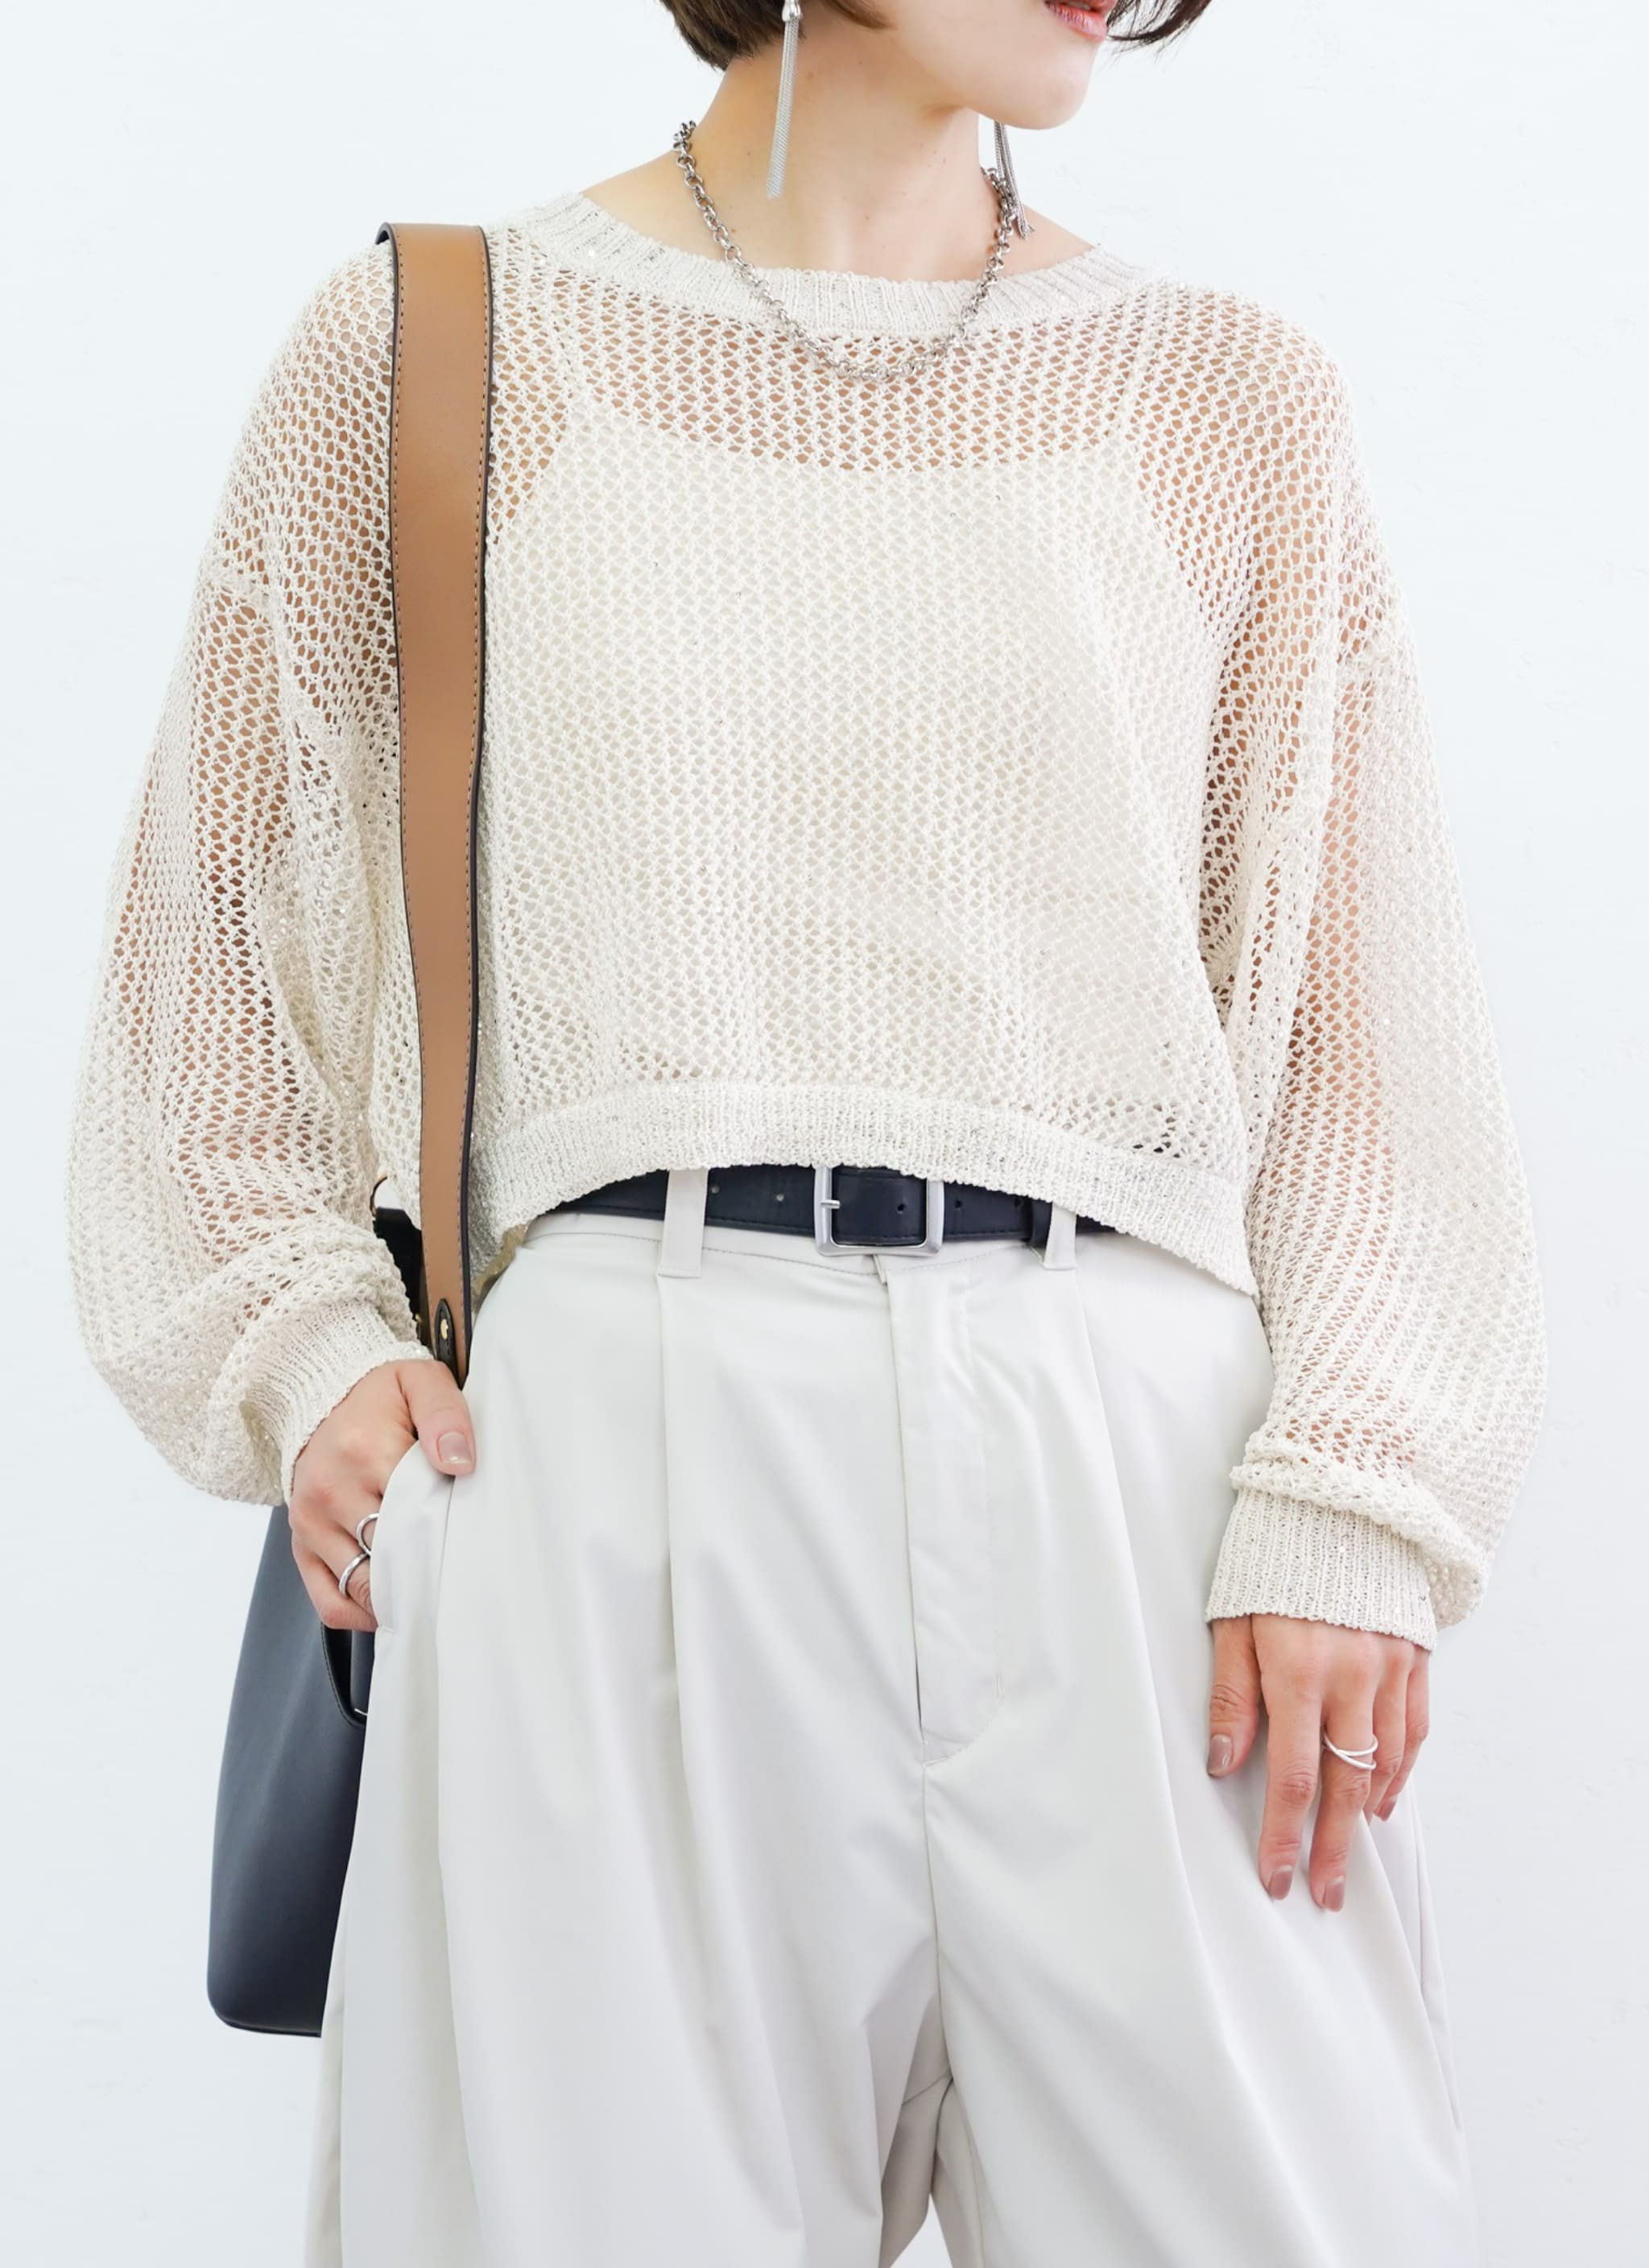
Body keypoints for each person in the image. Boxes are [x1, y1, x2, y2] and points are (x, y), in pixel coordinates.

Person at [64, 2, 1547, 2261]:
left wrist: (1356, 1501)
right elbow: (207, 973)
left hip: (1138, 1483)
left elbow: (1368, 1037)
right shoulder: (434, 348)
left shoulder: (1228, 398)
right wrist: (300, 1349)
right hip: (608, 1458)